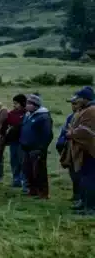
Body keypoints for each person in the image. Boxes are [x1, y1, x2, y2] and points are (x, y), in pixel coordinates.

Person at [61, 86, 95, 215]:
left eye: (79, 99)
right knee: (84, 178)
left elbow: (85, 131)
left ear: (85, 99)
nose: (77, 102)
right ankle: (84, 202)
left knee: (90, 179)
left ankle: (90, 207)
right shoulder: (86, 110)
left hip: (90, 151)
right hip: (84, 150)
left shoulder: (91, 111)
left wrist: (71, 133)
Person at [19, 94, 54, 199]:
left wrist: (41, 148)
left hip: (37, 149)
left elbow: (48, 134)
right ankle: (32, 190)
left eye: (30, 104)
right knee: (28, 171)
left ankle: (43, 193)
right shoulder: (28, 115)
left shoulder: (43, 117)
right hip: (26, 148)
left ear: (36, 105)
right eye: (27, 103)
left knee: (39, 171)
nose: (27, 105)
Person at [0, 94, 28, 190]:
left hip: (23, 142)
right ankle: (16, 180)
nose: (14, 105)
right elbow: (5, 125)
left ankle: (25, 182)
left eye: (16, 103)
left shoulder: (27, 114)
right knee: (14, 161)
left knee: (23, 162)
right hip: (13, 142)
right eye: (14, 103)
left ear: (23, 103)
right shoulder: (11, 114)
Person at [57, 97, 81, 207]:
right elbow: (64, 132)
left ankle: (81, 198)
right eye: (72, 104)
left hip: (79, 150)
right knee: (73, 173)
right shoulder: (70, 117)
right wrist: (60, 143)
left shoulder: (85, 117)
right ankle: (76, 195)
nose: (73, 106)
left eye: (75, 103)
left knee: (80, 174)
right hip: (69, 148)